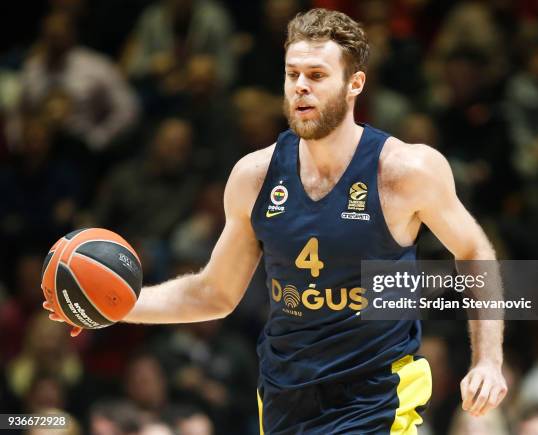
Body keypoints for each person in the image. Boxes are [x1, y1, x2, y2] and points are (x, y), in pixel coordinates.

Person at [45, 8, 507, 434]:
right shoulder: (254, 177)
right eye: (292, 75)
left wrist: (487, 359)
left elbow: (474, 250)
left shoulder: (407, 171)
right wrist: (116, 305)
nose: (300, 86)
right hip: (285, 398)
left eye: (317, 76)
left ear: (355, 84)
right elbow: (215, 292)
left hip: (377, 399)